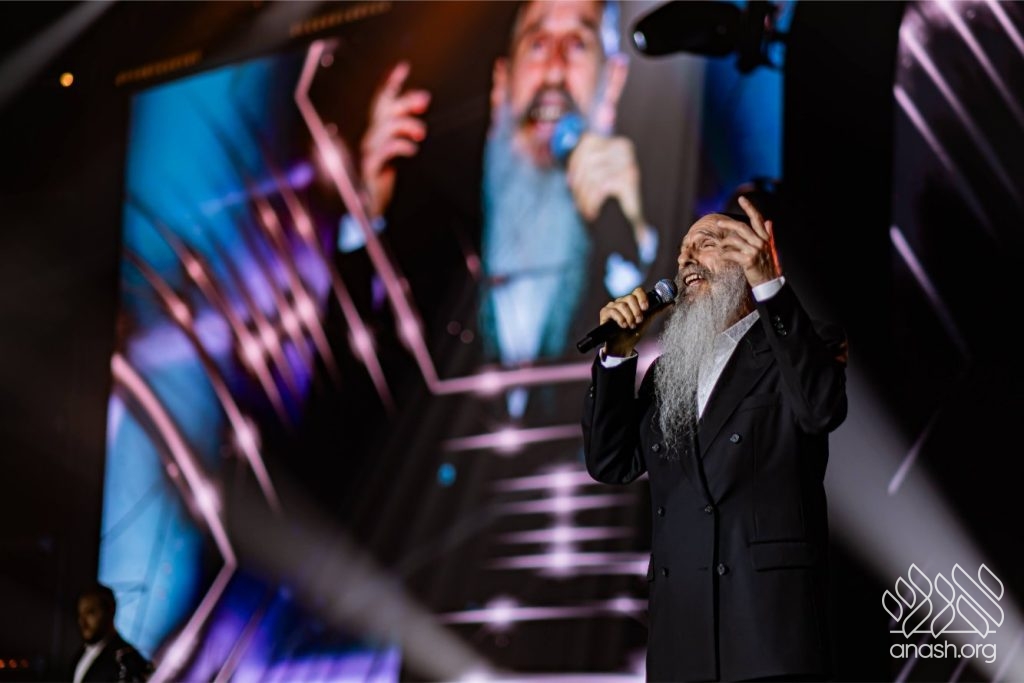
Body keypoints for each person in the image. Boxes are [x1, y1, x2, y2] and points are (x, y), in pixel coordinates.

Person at [581, 196, 848, 681]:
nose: (686, 258)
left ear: (752, 253)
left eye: (706, 243)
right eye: (682, 251)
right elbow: (611, 462)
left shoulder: (802, 345)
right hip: (682, 637)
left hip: (767, 634)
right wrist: (617, 358)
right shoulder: (666, 375)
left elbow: (820, 409)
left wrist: (770, 286)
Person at [353, 0, 658, 411]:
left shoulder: (648, 251)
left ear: (613, 82)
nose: (554, 70)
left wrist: (634, 242)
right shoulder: (434, 254)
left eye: (578, 44)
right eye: (537, 44)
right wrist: (364, 209)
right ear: (501, 84)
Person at [71, 584, 153, 683]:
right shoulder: (80, 653)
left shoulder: (128, 660)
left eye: (90, 613)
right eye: (80, 614)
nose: (82, 622)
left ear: (110, 611)